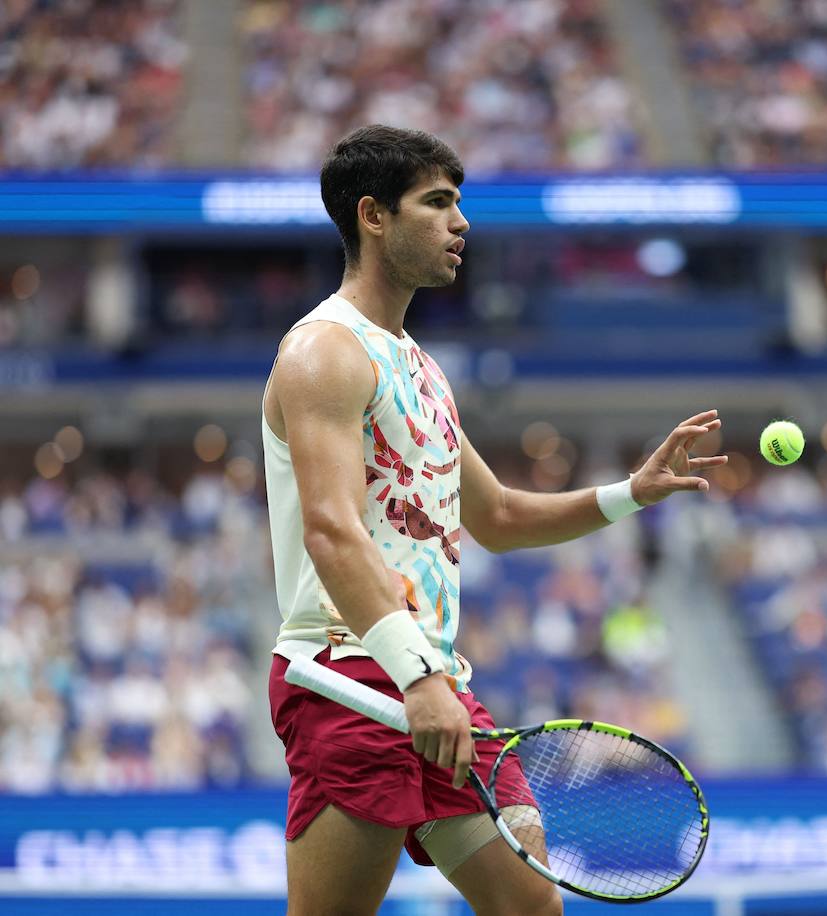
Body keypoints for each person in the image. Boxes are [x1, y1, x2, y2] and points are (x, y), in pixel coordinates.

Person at [261, 124, 727, 916]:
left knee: (532, 909)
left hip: (430, 679)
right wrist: (418, 674)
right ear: (373, 216)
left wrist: (630, 493)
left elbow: (501, 514)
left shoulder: (420, 367)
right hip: (351, 676)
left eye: (459, 204)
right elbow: (331, 531)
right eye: (436, 203)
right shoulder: (324, 353)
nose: (460, 222)